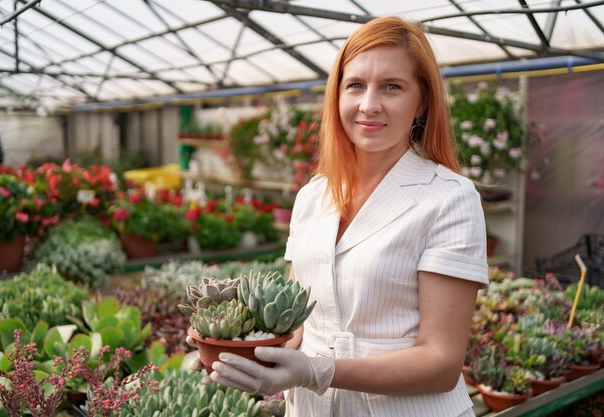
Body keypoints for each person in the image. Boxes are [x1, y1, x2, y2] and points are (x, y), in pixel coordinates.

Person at [188, 15, 488, 417]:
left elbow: (441, 363)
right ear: (337, 96)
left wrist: (317, 370)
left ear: (422, 102)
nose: (369, 104)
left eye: (392, 87)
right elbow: (299, 329)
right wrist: (235, 352)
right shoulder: (313, 197)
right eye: (356, 85)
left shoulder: (449, 198)